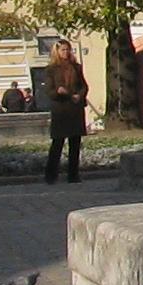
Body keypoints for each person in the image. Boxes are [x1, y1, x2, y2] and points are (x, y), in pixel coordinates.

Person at [42, 44, 90, 183]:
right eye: (63, 50)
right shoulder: (51, 69)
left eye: (68, 49)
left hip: (75, 108)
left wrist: (80, 95)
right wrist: (58, 91)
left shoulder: (76, 66)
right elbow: (49, 90)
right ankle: (51, 175)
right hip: (61, 110)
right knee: (57, 143)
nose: (66, 52)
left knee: (75, 143)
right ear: (56, 51)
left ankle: (73, 175)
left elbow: (84, 86)